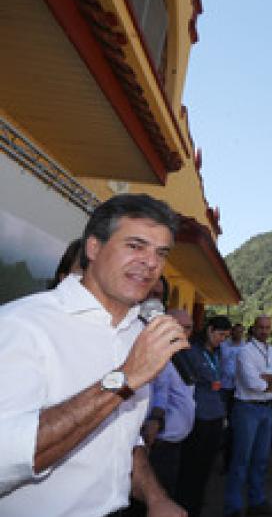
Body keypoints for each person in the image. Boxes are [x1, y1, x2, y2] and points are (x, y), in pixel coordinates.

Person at [0, 193, 188, 516]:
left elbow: (124, 438)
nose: (151, 263)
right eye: (135, 246)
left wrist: (155, 496)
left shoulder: (136, 332)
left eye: (161, 253)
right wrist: (124, 379)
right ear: (94, 248)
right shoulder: (21, 325)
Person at [224, 315, 272, 517]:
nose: (264, 331)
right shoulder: (245, 352)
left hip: (266, 408)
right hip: (246, 408)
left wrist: (268, 379)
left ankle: (257, 502)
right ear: (253, 328)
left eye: (267, 327)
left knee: (261, 459)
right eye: (261, 327)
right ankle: (233, 508)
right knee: (241, 460)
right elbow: (253, 383)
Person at [176, 315, 230, 517]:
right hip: (198, 416)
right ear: (209, 330)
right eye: (220, 335)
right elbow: (197, 378)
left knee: (206, 467)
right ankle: (186, 507)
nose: (222, 340)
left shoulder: (216, 352)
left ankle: (196, 504)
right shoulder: (191, 351)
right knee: (192, 467)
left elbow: (217, 378)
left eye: (225, 336)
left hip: (215, 413)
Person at [141, 309, 197, 500]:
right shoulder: (155, 352)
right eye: (180, 327)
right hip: (157, 441)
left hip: (176, 441)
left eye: (189, 328)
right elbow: (159, 391)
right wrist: (155, 420)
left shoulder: (182, 355)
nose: (184, 332)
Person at [219, 323, 246, 472]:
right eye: (236, 331)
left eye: (241, 332)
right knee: (223, 423)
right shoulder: (223, 345)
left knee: (234, 425)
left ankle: (230, 460)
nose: (238, 334)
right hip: (224, 388)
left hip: (238, 390)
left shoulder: (245, 347)